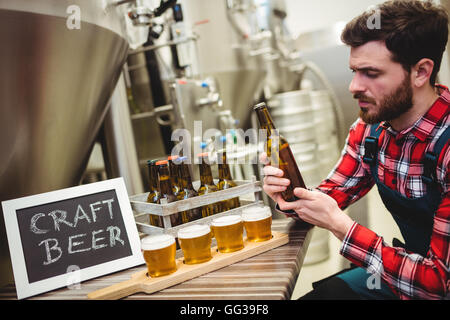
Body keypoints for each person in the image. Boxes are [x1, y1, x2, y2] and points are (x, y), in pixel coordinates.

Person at [261, 0, 449, 300]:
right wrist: (287, 193)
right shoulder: (370, 131)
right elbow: (331, 195)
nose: (353, 86)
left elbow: (439, 283)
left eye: (370, 73)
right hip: (399, 273)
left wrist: (340, 225)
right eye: (353, 71)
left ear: (421, 72)